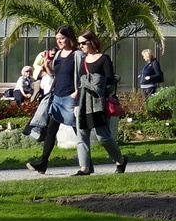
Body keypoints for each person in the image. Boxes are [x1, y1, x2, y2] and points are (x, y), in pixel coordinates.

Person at [27, 26, 82, 175]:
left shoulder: (77, 54)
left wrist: (77, 92)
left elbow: (82, 75)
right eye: (57, 39)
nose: (59, 42)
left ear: (70, 38)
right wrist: (48, 68)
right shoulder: (58, 54)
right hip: (57, 95)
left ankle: (86, 164)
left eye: (62, 38)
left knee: (79, 131)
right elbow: (55, 75)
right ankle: (43, 162)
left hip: (70, 96)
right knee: (51, 129)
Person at [72, 31, 127, 176]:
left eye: (83, 43)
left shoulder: (104, 59)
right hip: (84, 101)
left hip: (98, 102)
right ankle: (84, 168)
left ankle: (120, 160)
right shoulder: (82, 60)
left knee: (103, 136)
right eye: (79, 44)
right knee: (82, 135)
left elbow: (109, 81)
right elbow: (80, 84)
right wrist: (77, 105)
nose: (81, 46)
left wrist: (96, 84)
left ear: (92, 41)